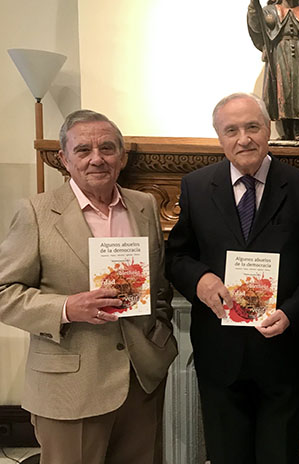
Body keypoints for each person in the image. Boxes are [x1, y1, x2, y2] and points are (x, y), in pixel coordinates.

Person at [0, 110, 177, 464]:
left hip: (141, 380)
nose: (97, 159)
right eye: (83, 150)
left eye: (108, 148)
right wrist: (66, 308)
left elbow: (160, 288)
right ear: (64, 159)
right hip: (69, 387)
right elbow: (4, 292)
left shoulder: (144, 207)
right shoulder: (35, 212)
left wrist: (161, 335)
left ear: (122, 157)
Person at [165, 92, 299, 464]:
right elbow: (176, 257)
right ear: (219, 137)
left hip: (282, 353)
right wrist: (200, 280)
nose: (244, 139)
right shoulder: (196, 186)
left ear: (268, 129)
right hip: (220, 354)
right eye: (232, 130)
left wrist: (290, 312)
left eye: (252, 127)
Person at [247, 0, 299, 141]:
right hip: (278, 55)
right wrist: (253, 5)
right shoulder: (269, 10)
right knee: (281, 91)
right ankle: (286, 132)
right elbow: (256, 25)